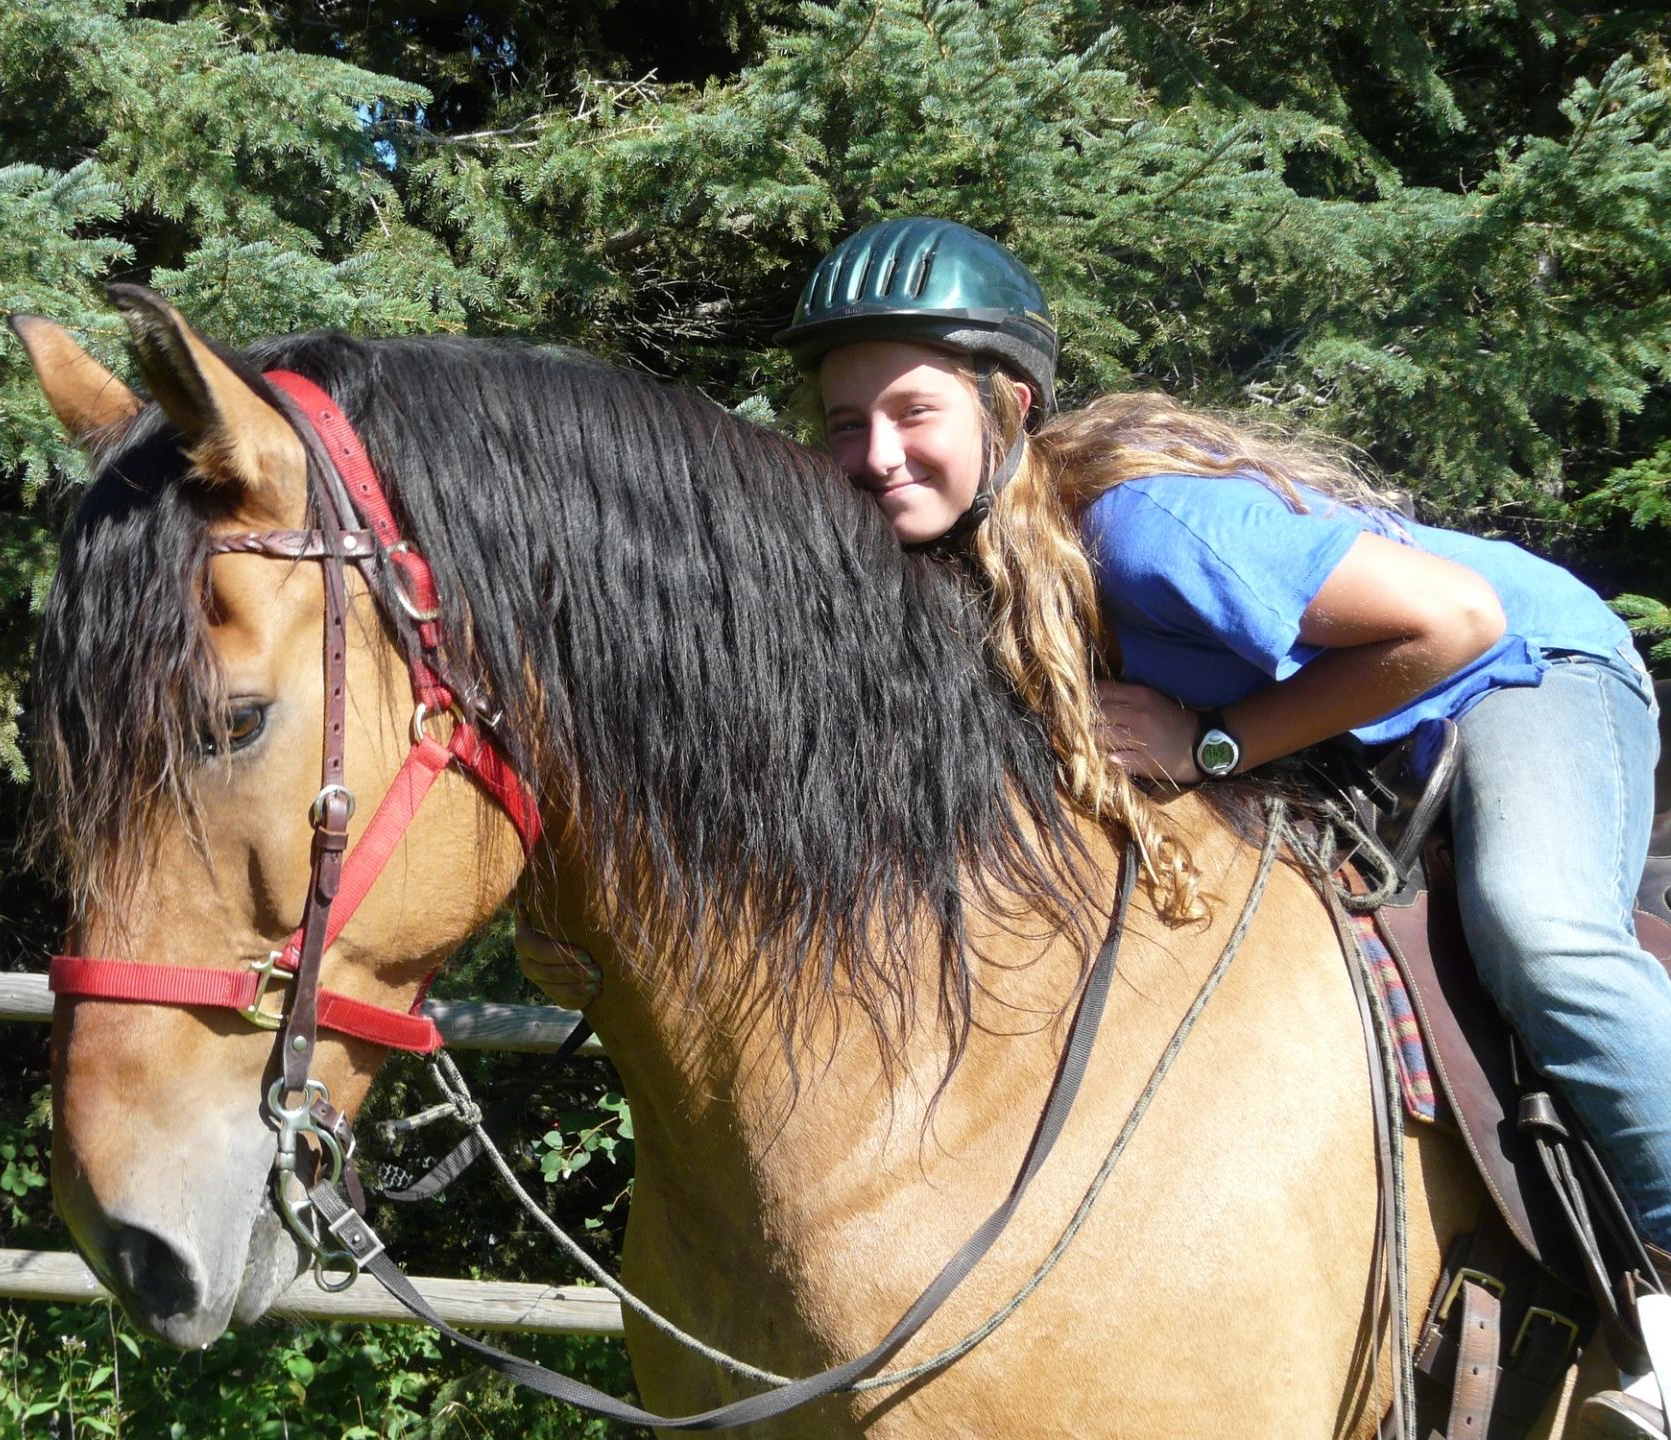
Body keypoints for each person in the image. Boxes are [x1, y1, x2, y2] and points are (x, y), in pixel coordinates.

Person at [514, 217, 1671, 1436]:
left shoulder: (1143, 531)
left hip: (1523, 675)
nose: (876, 454)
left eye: (913, 412)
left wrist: (1209, 744)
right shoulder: (947, 575)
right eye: (846, 423)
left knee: (1537, 927)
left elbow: (1452, 624)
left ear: (1007, 406)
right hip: (1351, 697)